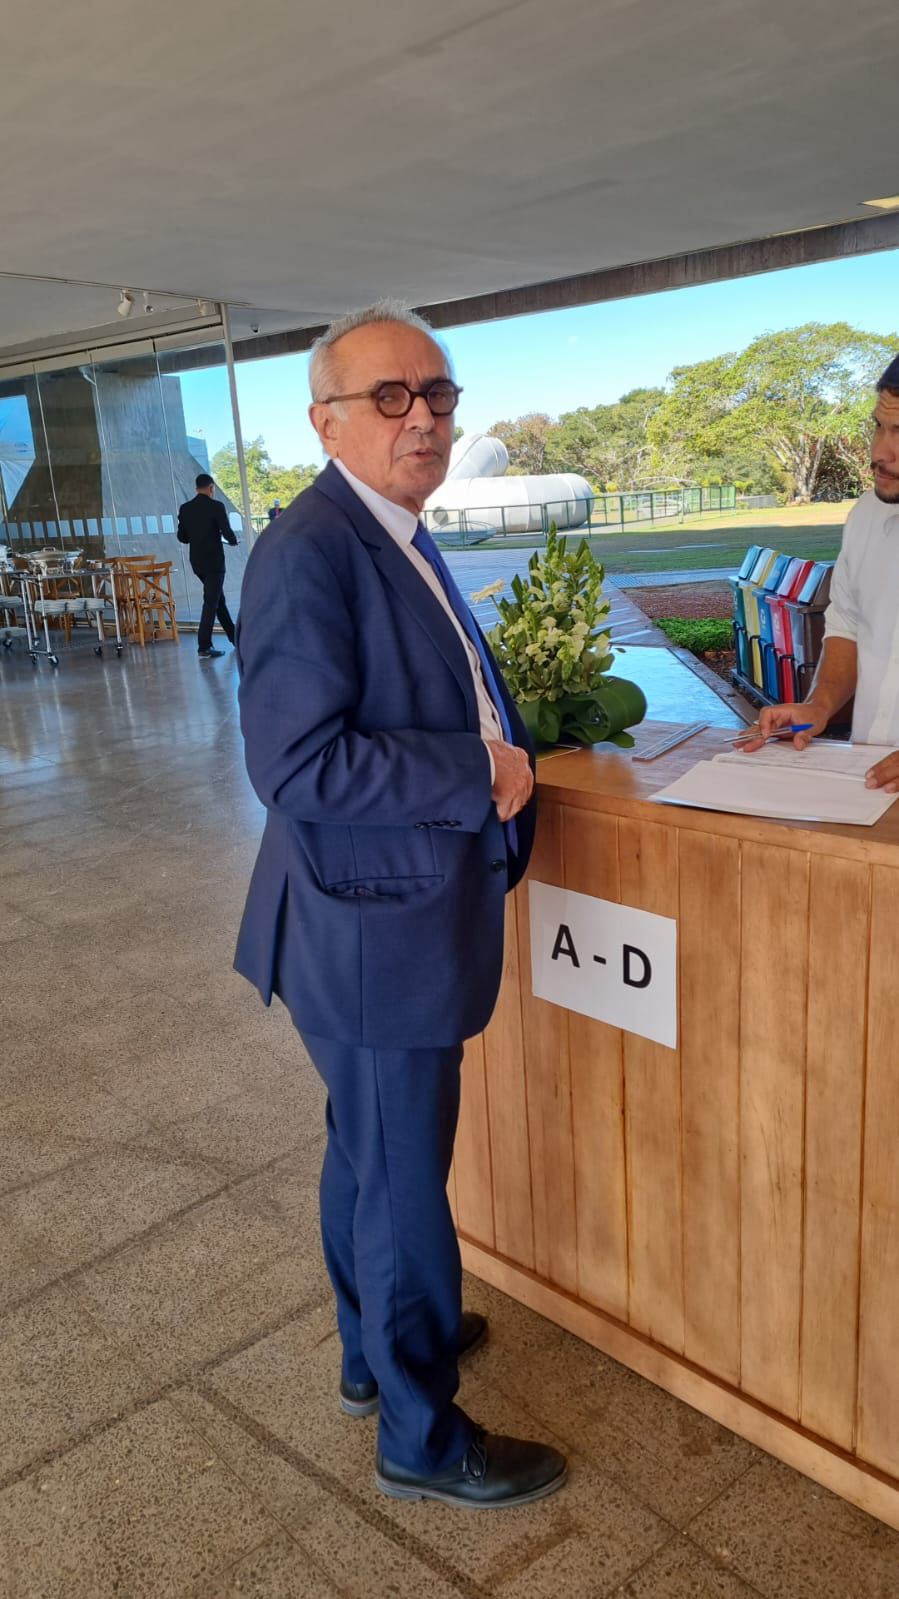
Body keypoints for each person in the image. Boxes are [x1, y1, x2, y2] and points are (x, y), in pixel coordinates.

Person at [234, 302, 566, 1509]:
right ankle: (420, 1436)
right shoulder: (310, 549)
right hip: (372, 926)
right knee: (402, 1184)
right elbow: (296, 764)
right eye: (387, 397)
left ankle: (372, 1354)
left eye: (436, 394)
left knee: (366, 1152)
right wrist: (474, 771)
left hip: (376, 915)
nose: (420, 417)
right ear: (324, 421)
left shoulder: (394, 530)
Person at [742, 353, 899, 789]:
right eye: (879, 426)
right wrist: (820, 705)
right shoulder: (866, 516)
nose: (878, 452)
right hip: (868, 783)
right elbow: (848, 626)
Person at [177, 472, 238, 659]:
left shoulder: (185, 508)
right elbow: (226, 531)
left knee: (218, 600)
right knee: (211, 601)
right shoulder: (216, 506)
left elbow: (182, 537)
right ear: (211, 488)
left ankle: (235, 638)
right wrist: (234, 541)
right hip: (214, 562)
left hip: (197, 562)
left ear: (196, 488)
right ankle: (204, 645)